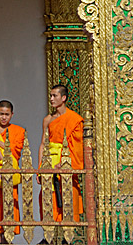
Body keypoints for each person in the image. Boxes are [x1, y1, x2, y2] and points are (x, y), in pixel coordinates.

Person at [37, 85, 84, 222]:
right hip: (50, 162)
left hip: (65, 162)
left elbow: (77, 148)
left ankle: (66, 239)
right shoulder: (48, 119)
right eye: (50, 96)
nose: (51, 99)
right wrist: (40, 169)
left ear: (63, 98)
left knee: (68, 199)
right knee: (48, 200)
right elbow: (43, 145)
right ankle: (49, 237)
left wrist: (64, 163)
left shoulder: (74, 119)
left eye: (54, 96)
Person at [0, 100, 25, 244]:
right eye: (1, 114)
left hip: (12, 171)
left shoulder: (18, 130)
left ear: (12, 115)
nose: (4, 117)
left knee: (11, 201)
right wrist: (5, 161)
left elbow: (16, 150)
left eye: (7, 114)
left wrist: (0, 143)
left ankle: (9, 238)